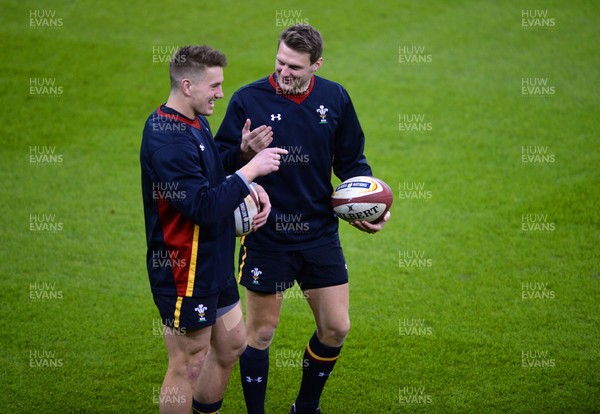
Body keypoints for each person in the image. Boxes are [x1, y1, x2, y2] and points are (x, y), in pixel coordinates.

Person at [215, 25, 390, 414]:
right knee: (260, 333)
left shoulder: (335, 98)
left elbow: (352, 162)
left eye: (295, 66)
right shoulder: (248, 100)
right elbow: (217, 163)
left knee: (336, 327)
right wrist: (243, 150)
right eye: (280, 62)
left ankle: (305, 407)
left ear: (316, 65)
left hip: (319, 232)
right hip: (266, 234)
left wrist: (368, 203)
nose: (284, 72)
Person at [140, 45, 287, 414]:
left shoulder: (194, 118)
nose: (221, 94)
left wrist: (240, 153)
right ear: (187, 85)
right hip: (184, 270)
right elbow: (202, 206)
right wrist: (251, 171)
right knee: (188, 362)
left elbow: (208, 173)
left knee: (233, 342)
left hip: (214, 260)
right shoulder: (167, 138)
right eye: (215, 86)